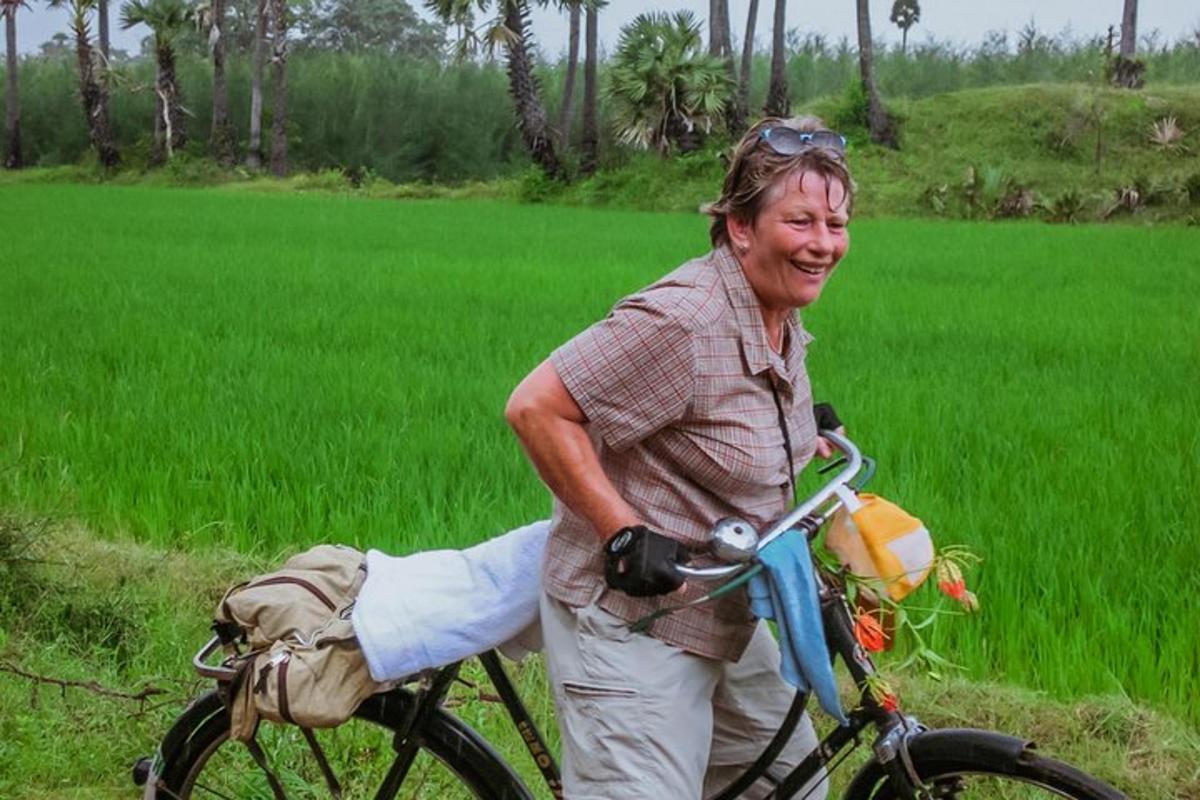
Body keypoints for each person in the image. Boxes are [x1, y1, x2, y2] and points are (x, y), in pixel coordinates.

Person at [505, 116, 853, 799]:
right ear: (740, 227)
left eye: (835, 225)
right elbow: (536, 407)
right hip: (634, 624)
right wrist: (622, 530)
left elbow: (706, 419)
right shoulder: (684, 320)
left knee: (792, 787)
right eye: (801, 221)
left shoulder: (777, 311)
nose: (822, 245)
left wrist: (793, 432)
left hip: (724, 607)